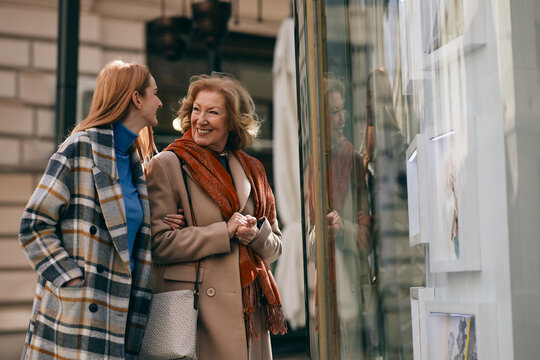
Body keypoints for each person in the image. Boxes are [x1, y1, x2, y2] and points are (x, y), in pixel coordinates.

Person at [19, 60, 168, 359]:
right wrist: (70, 277)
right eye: (154, 93)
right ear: (136, 98)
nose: (160, 102)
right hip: (77, 318)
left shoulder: (135, 162)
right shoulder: (79, 148)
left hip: (123, 316)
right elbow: (34, 225)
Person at [146, 72, 287, 360]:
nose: (201, 119)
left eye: (213, 112)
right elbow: (158, 244)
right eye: (196, 109)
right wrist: (225, 231)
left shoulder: (253, 170)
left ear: (232, 121)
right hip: (198, 314)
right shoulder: (167, 165)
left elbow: (276, 246)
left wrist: (255, 233)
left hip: (250, 313)